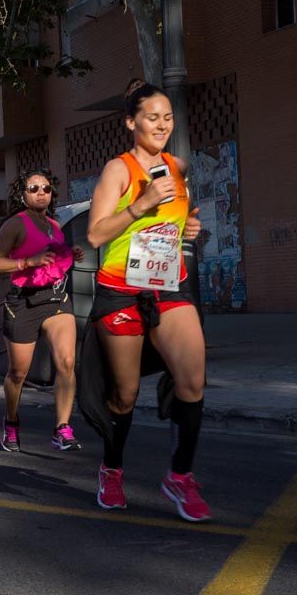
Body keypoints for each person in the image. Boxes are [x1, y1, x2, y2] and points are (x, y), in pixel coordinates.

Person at [84, 78, 209, 522]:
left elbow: (180, 217)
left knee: (192, 381)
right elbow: (96, 233)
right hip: (121, 291)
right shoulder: (119, 170)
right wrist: (140, 205)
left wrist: (190, 227)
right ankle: (112, 469)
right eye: (152, 118)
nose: (161, 125)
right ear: (131, 122)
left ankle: (180, 476)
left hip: (169, 287)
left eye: (168, 117)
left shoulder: (177, 166)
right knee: (125, 394)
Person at [0, 169, 83, 452]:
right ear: (22, 194)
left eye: (46, 188)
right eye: (33, 188)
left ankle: (62, 428)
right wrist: (28, 262)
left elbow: (53, 260)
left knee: (66, 362)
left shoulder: (54, 226)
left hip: (55, 299)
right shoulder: (15, 224)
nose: (41, 192)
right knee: (18, 373)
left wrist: (71, 253)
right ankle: (11, 420)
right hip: (22, 303)